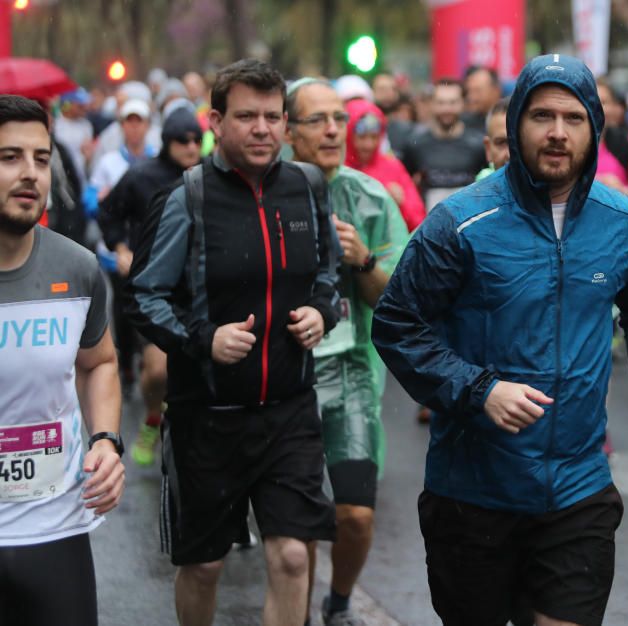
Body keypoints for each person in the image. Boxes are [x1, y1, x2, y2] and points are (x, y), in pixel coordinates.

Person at [371, 53, 628, 626]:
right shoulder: (459, 222)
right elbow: (396, 324)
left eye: (573, 118)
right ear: (516, 125)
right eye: (541, 116)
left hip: (578, 485)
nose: (558, 133)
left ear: (596, 127)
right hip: (473, 490)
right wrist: (478, 390)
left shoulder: (623, 222)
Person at [124, 59, 341, 626]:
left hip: (289, 410)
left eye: (273, 116)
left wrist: (322, 312)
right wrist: (203, 339)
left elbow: (328, 273)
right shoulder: (186, 198)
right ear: (217, 121)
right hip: (208, 417)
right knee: (204, 567)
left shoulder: (307, 186)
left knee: (294, 556)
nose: (263, 128)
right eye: (247, 116)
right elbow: (142, 296)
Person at [285, 77, 409, 626]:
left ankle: (338, 603)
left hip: (354, 369)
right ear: (288, 131)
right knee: (300, 523)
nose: (335, 129)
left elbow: (397, 299)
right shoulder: (269, 194)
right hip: (289, 376)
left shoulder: (371, 198)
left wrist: (361, 261)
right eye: (319, 120)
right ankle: (300, 613)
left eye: (341, 117)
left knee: (355, 514)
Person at [0, 94, 125, 626]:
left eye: (42, 158)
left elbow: (98, 363)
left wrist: (105, 441)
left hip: (55, 525)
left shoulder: (76, 268)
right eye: (9, 157)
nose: (30, 173)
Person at [97, 108, 204, 466]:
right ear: (167, 142)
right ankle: (152, 418)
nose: (191, 147)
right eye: (182, 140)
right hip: (158, 288)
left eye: (195, 139)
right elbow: (109, 212)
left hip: (203, 289)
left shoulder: (211, 174)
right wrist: (122, 248)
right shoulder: (142, 176)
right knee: (158, 370)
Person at [401, 78, 487, 208]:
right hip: (429, 224)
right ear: (431, 104)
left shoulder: (478, 144)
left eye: (453, 102)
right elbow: (405, 184)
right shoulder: (415, 144)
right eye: (441, 103)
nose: (447, 109)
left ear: (463, 104)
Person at [343, 97, 426, 231]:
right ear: (347, 135)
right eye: (362, 137)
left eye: (374, 137)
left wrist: (401, 203)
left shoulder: (393, 167)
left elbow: (419, 222)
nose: (368, 144)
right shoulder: (339, 169)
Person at [88, 99, 156, 200]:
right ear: (122, 126)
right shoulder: (107, 161)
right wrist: (99, 200)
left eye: (139, 121)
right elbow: (90, 197)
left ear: (148, 126)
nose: (134, 127)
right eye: (129, 121)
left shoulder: (158, 158)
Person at [596, 79, 628, 195]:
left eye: (604, 102)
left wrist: (620, 191)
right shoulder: (565, 142)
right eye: (591, 101)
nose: (597, 108)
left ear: (614, 107)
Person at [475, 97, 510, 181]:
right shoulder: (480, 190)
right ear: (488, 149)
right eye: (501, 143)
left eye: (518, 142)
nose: (509, 154)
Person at [462, 65, 503, 132]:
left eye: (477, 91)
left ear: (495, 91)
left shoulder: (509, 119)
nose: (471, 97)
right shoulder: (462, 124)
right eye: (468, 91)